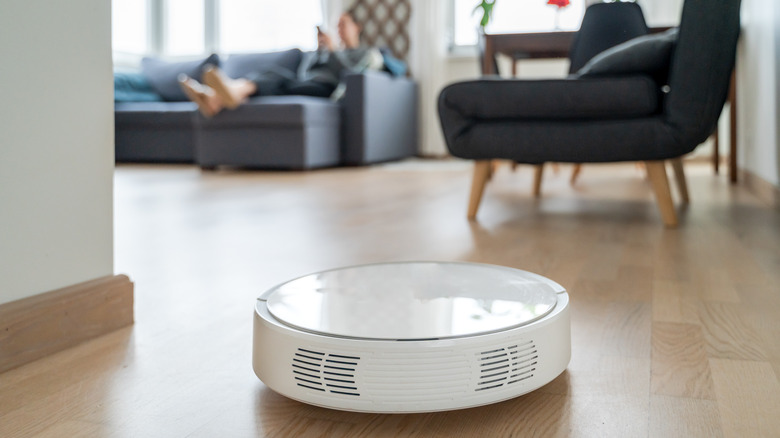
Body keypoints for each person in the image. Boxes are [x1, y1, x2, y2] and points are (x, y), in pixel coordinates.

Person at [179, 11, 383, 117]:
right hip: (304, 83)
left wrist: (332, 52)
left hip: (325, 88)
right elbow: (303, 74)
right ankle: (215, 99)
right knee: (277, 79)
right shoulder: (320, 51)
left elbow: (349, 75)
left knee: (275, 76)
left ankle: (219, 95)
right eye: (337, 25)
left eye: (343, 24)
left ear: (357, 27)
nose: (339, 29)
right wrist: (320, 52)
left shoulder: (362, 53)